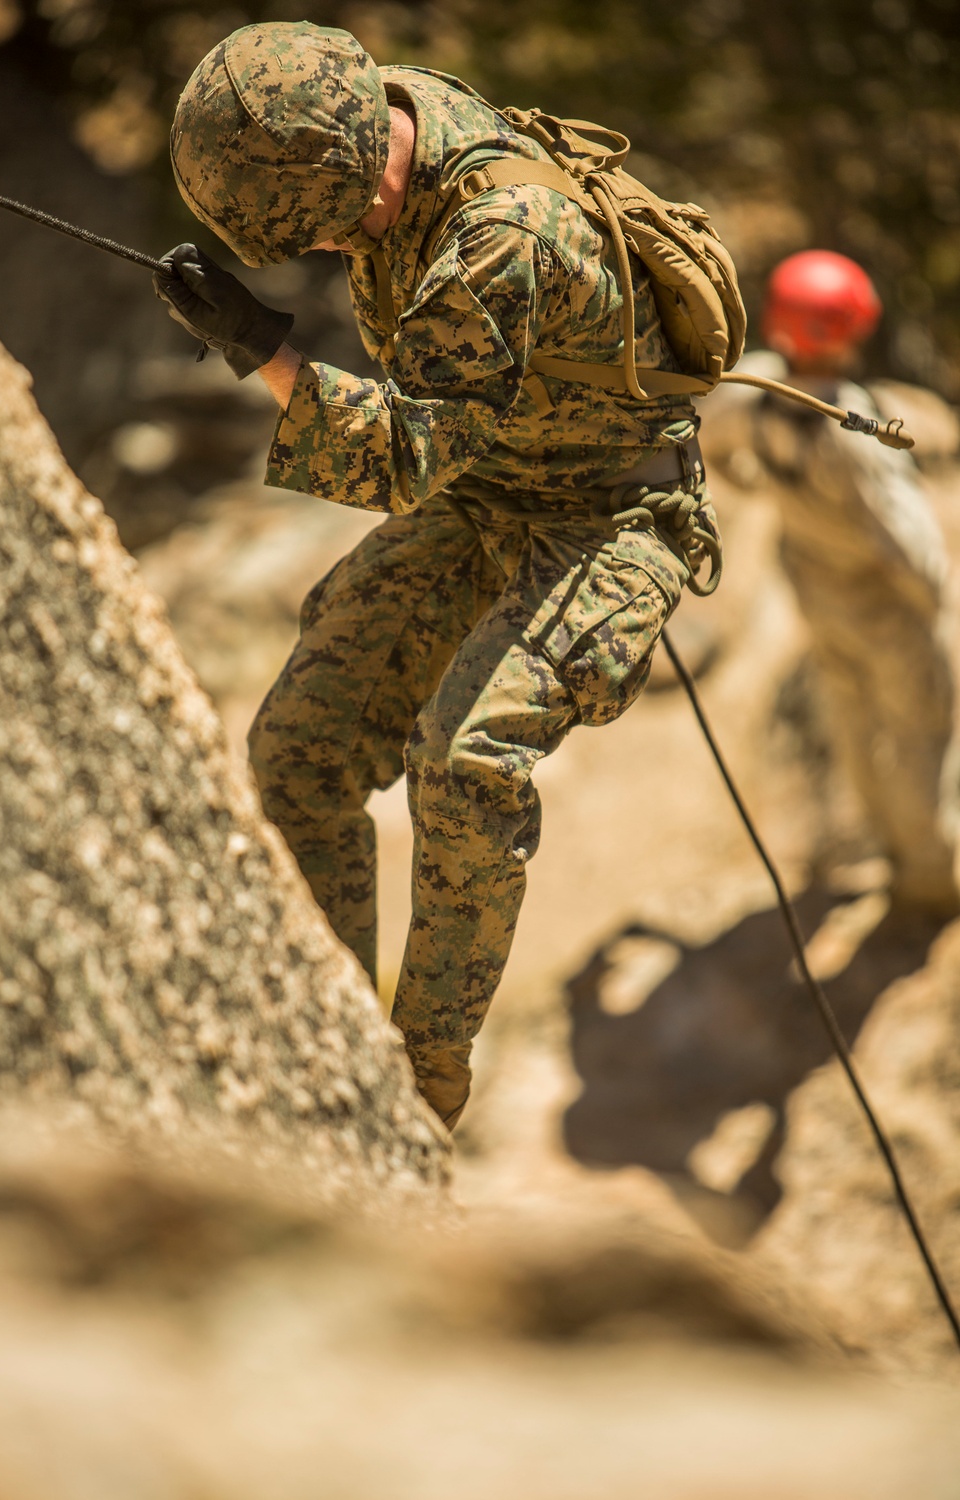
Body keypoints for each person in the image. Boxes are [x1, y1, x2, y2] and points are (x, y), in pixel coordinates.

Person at [152, 20, 721, 1129]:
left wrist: (264, 353)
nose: (322, 258)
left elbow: (407, 453)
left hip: (607, 515)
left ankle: (418, 1080)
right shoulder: (382, 114)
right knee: (301, 752)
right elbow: (443, 448)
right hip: (487, 487)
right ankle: (323, 1019)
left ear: (354, 190)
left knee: (466, 763)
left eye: (315, 237)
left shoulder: (501, 230)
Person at [700, 250, 958, 915]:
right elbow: (912, 550)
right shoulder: (855, 432)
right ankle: (929, 883)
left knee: (855, 723)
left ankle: (885, 848)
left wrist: (751, 484)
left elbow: (712, 448)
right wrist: (936, 606)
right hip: (884, 608)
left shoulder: (752, 387)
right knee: (919, 738)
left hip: (817, 593)